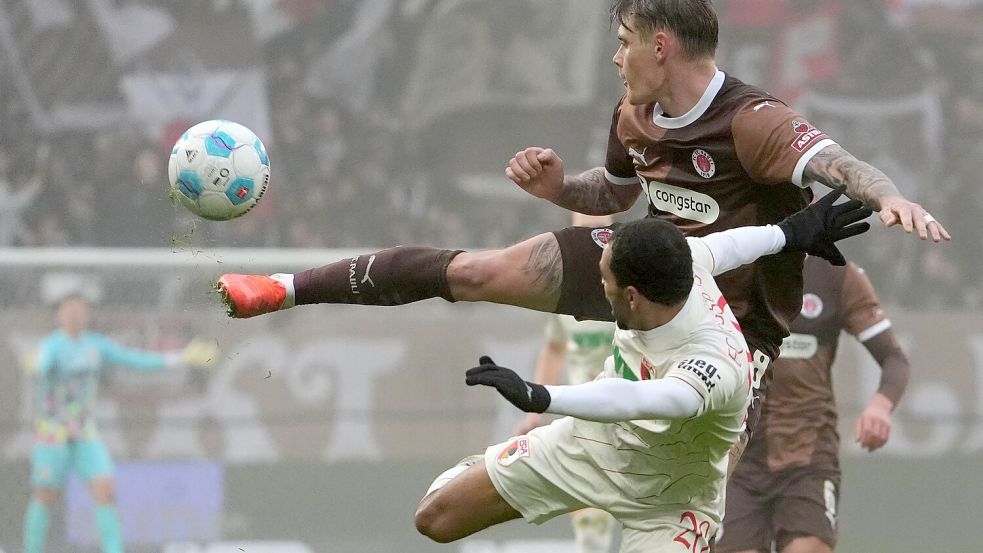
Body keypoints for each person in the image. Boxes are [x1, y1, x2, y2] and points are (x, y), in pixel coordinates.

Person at [215, 0, 948, 411]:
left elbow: (832, 162)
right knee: (475, 272)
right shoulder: (632, 115)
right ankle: (283, 288)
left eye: (623, 43)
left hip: (729, 328)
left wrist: (888, 196)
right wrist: (559, 191)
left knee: (674, 486)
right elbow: (617, 195)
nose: (613, 57)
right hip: (642, 270)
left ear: (661, 46)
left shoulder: (750, 119)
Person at [414, 192, 871, 552]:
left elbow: (639, 399)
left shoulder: (718, 362)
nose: (598, 286)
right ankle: (491, 466)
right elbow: (735, 244)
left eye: (605, 280)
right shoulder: (685, 262)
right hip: (594, 448)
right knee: (435, 519)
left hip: (673, 500)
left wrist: (541, 397)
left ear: (632, 295)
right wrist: (791, 232)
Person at [715, 255, 910, 553]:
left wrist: (879, 408)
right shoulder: (730, 263)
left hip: (807, 456)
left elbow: (894, 358)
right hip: (735, 455)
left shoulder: (837, 275)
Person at [23, 295, 216, 553]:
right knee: (44, 496)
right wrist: (36, 364)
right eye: (69, 310)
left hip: (83, 433)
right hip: (52, 434)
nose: (75, 315)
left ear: (87, 315)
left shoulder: (95, 346)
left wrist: (180, 358)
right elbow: (40, 363)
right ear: (59, 316)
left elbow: (135, 359)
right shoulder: (53, 346)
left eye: (80, 310)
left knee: (105, 490)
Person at [513, 212, 619, 553]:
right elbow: (555, 348)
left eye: (598, 233)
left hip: (634, 412)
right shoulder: (564, 291)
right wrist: (535, 411)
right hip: (585, 416)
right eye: (583, 232)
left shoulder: (632, 282)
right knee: (591, 526)